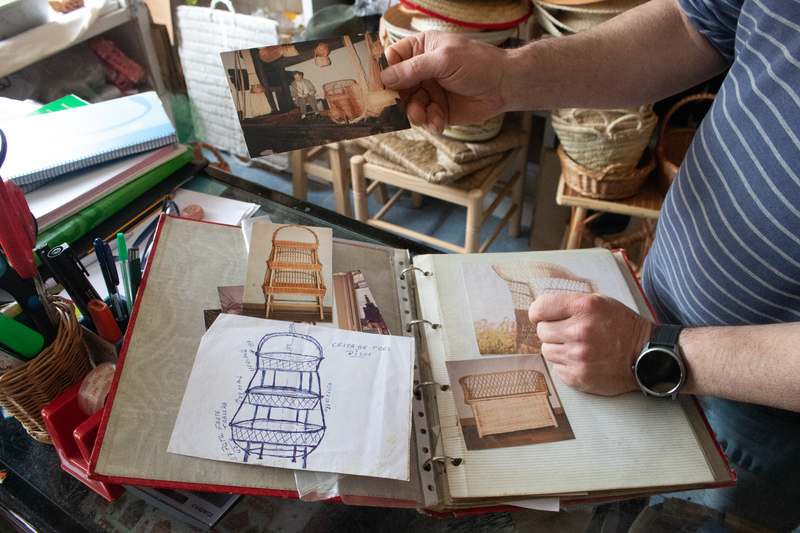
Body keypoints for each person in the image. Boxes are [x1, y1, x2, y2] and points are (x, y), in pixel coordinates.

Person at [380, 0, 800, 530]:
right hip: (650, 307)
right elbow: (694, 25)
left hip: (758, 408)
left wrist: (648, 350)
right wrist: (505, 77)